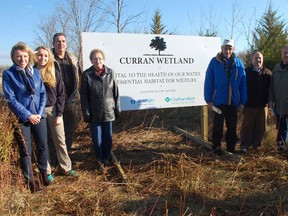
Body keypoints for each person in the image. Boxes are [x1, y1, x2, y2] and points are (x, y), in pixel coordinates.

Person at [2, 42, 51, 192]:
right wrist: (28, 115)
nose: (22, 59)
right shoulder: (9, 74)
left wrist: (39, 112)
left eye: (24, 56)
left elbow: (42, 93)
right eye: (18, 56)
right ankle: (30, 181)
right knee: (26, 150)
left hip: (38, 115)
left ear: (29, 56)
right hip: (21, 118)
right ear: (13, 57)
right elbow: (11, 99)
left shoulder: (35, 72)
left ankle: (44, 173)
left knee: (43, 145)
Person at [35, 46, 77, 177]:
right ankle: (47, 171)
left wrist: (59, 114)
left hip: (53, 110)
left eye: (46, 55)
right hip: (37, 112)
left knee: (60, 141)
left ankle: (66, 167)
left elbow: (61, 95)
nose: (43, 58)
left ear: (49, 57)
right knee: (43, 142)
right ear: (35, 57)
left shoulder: (55, 73)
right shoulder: (31, 73)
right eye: (40, 55)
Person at [204, 39, 247, 155]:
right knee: (218, 126)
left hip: (233, 102)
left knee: (232, 127)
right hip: (218, 101)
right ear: (222, 49)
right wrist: (208, 100)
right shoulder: (214, 62)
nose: (227, 51)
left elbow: (243, 84)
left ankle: (231, 148)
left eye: (230, 48)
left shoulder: (239, 63)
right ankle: (216, 147)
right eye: (225, 48)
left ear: (233, 50)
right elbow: (209, 81)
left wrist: (242, 102)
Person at [80, 49, 120, 166]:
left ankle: (107, 157)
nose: (98, 60)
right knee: (97, 138)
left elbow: (116, 93)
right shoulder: (87, 75)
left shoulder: (111, 73)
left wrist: (117, 108)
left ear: (103, 59)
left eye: (100, 58)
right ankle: (99, 157)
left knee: (108, 137)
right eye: (95, 58)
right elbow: (84, 96)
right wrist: (86, 112)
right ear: (91, 60)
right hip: (94, 112)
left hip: (108, 110)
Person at [52, 33, 80, 153]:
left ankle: (67, 155)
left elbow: (79, 77)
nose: (61, 43)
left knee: (69, 131)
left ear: (66, 43)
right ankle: (55, 159)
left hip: (71, 101)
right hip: (55, 102)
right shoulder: (49, 59)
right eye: (58, 41)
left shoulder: (73, 59)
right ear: (53, 43)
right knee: (55, 132)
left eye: (63, 41)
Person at [240, 51, 272, 152]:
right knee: (247, 126)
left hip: (263, 105)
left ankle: (257, 145)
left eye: (260, 58)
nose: (258, 60)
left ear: (262, 60)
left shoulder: (268, 73)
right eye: (256, 58)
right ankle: (244, 145)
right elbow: (241, 88)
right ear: (252, 60)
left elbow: (271, 89)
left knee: (261, 126)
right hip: (249, 104)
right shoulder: (246, 72)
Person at [269, 44, 288, 151]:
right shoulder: (276, 68)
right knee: (281, 128)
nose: (287, 55)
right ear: (281, 55)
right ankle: (281, 149)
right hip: (279, 105)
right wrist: (270, 102)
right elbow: (271, 87)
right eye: (285, 53)